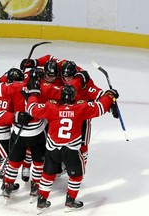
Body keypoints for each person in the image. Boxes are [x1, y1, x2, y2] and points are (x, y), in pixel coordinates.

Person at [25, 81, 119, 214]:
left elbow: (31, 109)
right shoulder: (81, 108)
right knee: (76, 176)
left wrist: (33, 94)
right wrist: (110, 95)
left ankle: (41, 201)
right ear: (74, 96)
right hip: (72, 151)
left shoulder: (51, 107)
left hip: (53, 150)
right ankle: (70, 202)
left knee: (47, 175)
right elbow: (100, 107)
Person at [0, 68, 48, 203]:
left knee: (13, 161)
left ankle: (8, 186)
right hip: (36, 132)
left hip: (18, 132)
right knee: (38, 162)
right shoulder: (46, 88)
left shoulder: (15, 86)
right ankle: (35, 186)